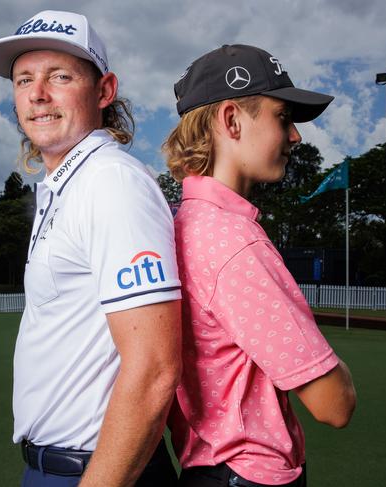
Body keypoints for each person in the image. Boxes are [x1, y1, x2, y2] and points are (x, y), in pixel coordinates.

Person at [0, 10, 182, 487]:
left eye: (60, 76)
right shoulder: (65, 185)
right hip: (59, 467)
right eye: (24, 79)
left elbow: (155, 369)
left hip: (97, 471)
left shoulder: (111, 182)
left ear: (104, 91)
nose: (37, 94)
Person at [162, 44, 356, 487]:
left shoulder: (181, 222)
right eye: (282, 117)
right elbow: (334, 403)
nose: (295, 137)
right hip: (248, 475)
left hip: (207, 468)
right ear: (231, 120)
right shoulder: (233, 241)